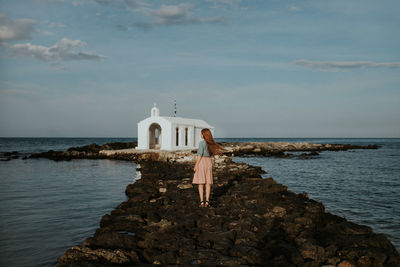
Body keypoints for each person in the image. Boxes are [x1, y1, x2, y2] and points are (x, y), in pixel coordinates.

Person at [192, 128, 224, 208]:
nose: (200, 135)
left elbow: (200, 155)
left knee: (201, 183)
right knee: (208, 183)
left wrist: (196, 165)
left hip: (202, 162)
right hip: (209, 162)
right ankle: (207, 201)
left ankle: (202, 202)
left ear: (204, 135)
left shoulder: (202, 143)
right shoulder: (211, 144)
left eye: (201, 133)